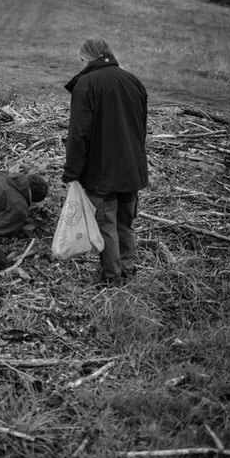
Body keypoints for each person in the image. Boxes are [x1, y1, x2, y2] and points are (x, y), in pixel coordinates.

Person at [62, 37, 148, 285]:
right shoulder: (133, 81)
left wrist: (72, 173)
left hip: (103, 173)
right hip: (133, 169)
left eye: (81, 60)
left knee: (107, 225)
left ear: (87, 58)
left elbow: (79, 134)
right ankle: (128, 270)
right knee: (125, 223)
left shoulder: (87, 84)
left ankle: (112, 279)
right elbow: (141, 130)